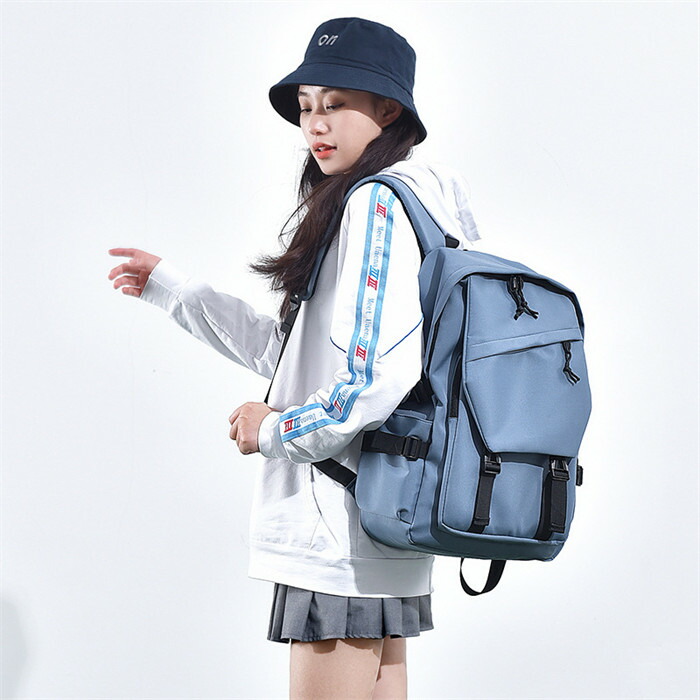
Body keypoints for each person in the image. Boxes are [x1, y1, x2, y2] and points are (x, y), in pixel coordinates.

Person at [107, 17, 480, 700]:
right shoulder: (426, 207)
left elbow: (374, 378)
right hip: (383, 515)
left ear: (388, 111)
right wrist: (176, 292)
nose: (315, 124)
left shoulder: (378, 204)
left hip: (334, 523)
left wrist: (275, 429)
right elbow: (299, 357)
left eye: (335, 104)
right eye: (306, 107)